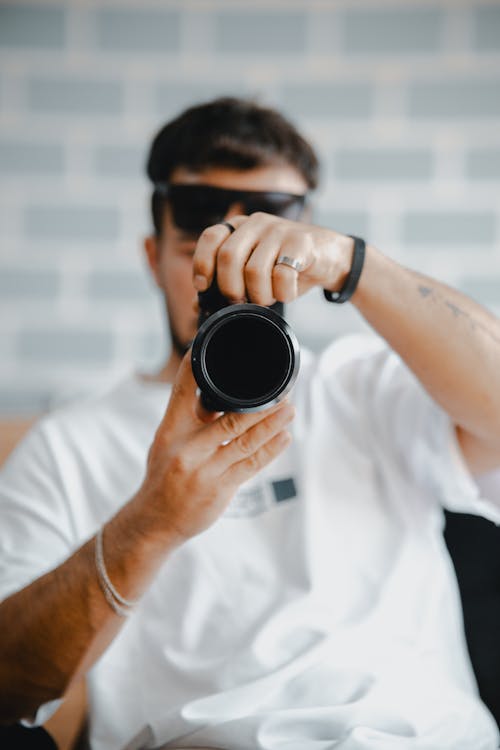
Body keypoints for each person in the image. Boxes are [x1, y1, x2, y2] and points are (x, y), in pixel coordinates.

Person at [1, 96, 500, 750]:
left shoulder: (368, 386)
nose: (233, 268)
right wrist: (149, 523)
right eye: (200, 239)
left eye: (269, 235)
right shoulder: (67, 445)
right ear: (153, 257)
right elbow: (10, 686)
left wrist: (355, 265)